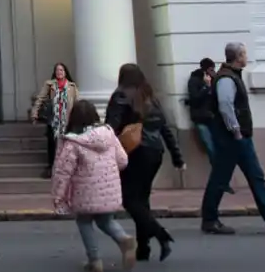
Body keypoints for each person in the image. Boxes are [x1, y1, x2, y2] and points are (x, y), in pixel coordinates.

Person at [200, 42, 265, 236]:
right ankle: (210, 219)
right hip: (232, 138)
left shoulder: (231, 75)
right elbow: (225, 106)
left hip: (237, 137)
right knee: (225, 178)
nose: (246, 57)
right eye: (244, 54)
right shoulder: (227, 79)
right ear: (238, 57)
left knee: (251, 177)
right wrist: (236, 130)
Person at [107, 63, 185, 262]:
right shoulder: (150, 96)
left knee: (128, 199)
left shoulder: (121, 95)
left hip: (135, 152)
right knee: (142, 199)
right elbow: (165, 129)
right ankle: (143, 248)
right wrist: (177, 158)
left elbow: (111, 127)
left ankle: (160, 234)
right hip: (155, 152)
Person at [52, 99, 137, 272]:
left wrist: (58, 196)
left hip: (84, 193)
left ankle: (95, 261)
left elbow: (63, 173)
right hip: (109, 192)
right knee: (106, 220)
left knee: (84, 222)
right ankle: (123, 239)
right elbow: (123, 161)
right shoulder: (109, 134)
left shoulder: (73, 143)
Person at [185, 58, 232, 194]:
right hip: (201, 120)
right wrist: (206, 86)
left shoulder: (215, 80)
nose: (213, 72)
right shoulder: (194, 80)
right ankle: (220, 182)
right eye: (210, 69)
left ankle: (222, 181)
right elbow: (195, 99)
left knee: (220, 150)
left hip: (213, 119)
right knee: (212, 150)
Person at [30, 61, 79, 177]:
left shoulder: (72, 86)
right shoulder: (50, 84)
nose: (59, 72)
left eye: (61, 70)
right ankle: (51, 167)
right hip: (54, 119)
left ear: (65, 72)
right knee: (52, 143)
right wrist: (35, 112)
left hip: (67, 119)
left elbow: (77, 102)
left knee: (67, 144)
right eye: (57, 70)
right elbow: (40, 98)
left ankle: (66, 168)